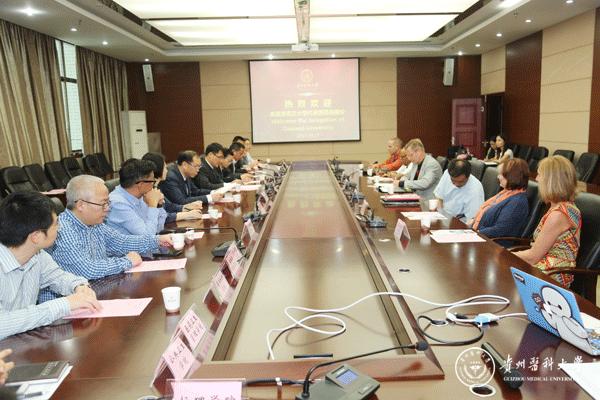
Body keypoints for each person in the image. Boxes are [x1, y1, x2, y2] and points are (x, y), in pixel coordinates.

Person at [39, 175, 172, 302]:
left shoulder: (94, 224)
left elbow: (121, 242)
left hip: (98, 291)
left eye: (108, 203)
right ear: (81, 205)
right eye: (103, 204)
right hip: (67, 307)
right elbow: (87, 269)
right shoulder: (63, 230)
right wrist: (126, 261)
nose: (107, 209)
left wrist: (157, 240)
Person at [0, 192, 100, 340]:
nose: (60, 228)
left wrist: (78, 286)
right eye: (56, 224)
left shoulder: (37, 255)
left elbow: (59, 277)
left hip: (22, 341)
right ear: (36, 236)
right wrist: (64, 304)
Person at [514, 156, 580, 287]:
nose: (537, 179)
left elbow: (533, 257)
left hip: (552, 275)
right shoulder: (560, 206)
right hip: (544, 267)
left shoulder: (559, 214)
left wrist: (503, 254)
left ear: (551, 181)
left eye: (540, 175)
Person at [471, 158, 530, 244]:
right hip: (482, 237)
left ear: (512, 177)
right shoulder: (506, 192)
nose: (498, 177)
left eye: (501, 174)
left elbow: (500, 230)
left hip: (494, 245)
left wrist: (475, 233)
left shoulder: (517, 202)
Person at [106, 159, 168, 235]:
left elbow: (158, 229)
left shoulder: (142, 196)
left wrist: (158, 205)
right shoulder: (117, 204)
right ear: (141, 184)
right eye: (152, 181)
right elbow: (147, 237)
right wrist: (152, 205)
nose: (153, 185)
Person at [141, 152, 204, 224]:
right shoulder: (147, 191)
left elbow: (168, 206)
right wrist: (187, 214)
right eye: (165, 167)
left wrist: (186, 207)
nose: (167, 170)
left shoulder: (155, 187)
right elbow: (161, 216)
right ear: (158, 169)